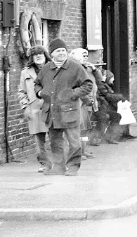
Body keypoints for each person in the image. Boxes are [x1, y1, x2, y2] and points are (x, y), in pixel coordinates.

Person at [34, 38, 94, 176]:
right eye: (58, 51)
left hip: (70, 112)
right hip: (52, 112)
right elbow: (37, 83)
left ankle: (73, 166)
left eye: (63, 50)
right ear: (52, 54)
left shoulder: (75, 67)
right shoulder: (46, 69)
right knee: (55, 142)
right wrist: (39, 92)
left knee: (74, 143)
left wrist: (73, 93)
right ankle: (58, 167)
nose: (61, 53)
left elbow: (88, 85)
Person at [18, 46, 51, 173]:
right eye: (35, 54)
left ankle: (59, 162)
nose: (38, 56)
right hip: (35, 108)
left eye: (40, 54)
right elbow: (22, 91)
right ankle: (45, 164)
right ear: (31, 57)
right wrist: (25, 107)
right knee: (39, 140)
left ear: (45, 55)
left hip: (51, 107)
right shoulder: (25, 72)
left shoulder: (53, 68)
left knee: (55, 137)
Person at [69, 48, 97, 158]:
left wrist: (95, 70)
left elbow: (97, 81)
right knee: (79, 128)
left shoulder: (86, 68)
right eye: (83, 55)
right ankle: (77, 153)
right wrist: (86, 99)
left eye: (86, 56)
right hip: (80, 102)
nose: (86, 58)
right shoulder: (75, 69)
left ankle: (84, 150)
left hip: (87, 102)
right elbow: (79, 86)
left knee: (85, 128)